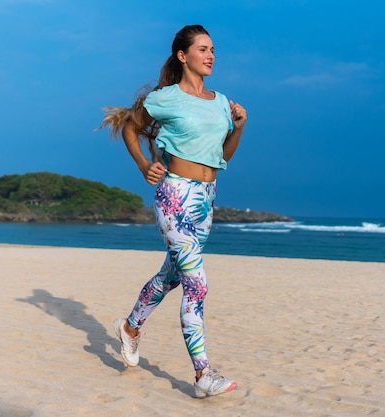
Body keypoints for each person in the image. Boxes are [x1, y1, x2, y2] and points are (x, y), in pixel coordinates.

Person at [100, 24, 247, 398]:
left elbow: (221, 157)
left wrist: (239, 126)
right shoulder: (164, 98)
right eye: (202, 49)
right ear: (183, 56)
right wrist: (142, 165)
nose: (211, 55)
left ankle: (131, 327)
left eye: (213, 49)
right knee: (197, 284)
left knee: (173, 276)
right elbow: (130, 127)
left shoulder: (220, 101)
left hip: (206, 197)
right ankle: (202, 375)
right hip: (175, 196)